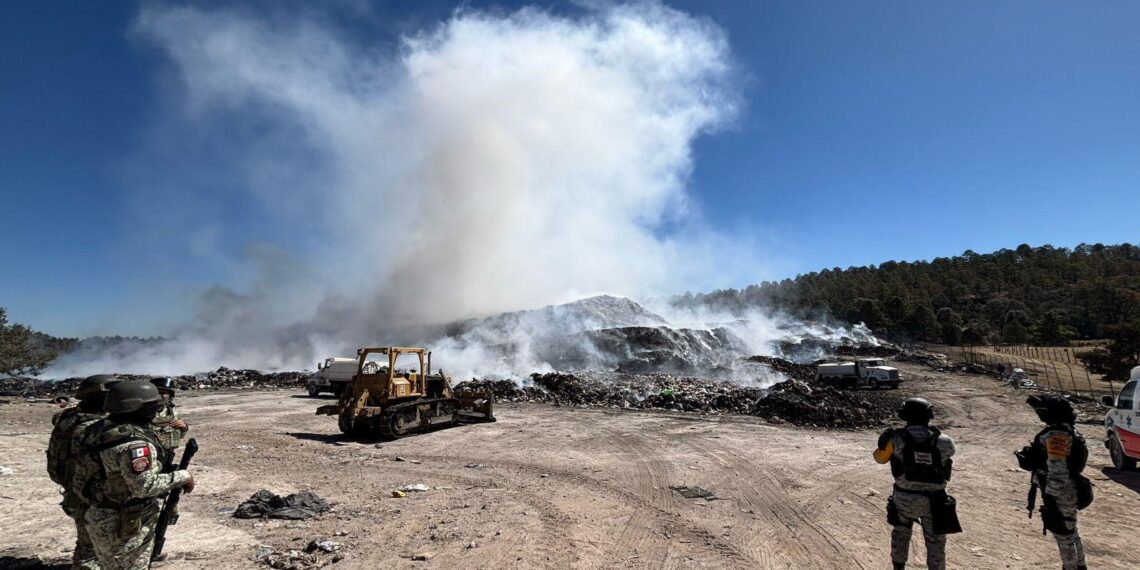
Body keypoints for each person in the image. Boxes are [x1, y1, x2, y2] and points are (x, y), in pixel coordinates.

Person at [74, 380, 195, 570]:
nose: (156, 410)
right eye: (152, 405)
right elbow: (144, 487)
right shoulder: (135, 444)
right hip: (124, 522)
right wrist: (183, 476)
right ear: (139, 408)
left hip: (98, 512)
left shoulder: (97, 430)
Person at [873, 398, 960, 570]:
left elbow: (879, 459)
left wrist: (882, 443)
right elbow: (949, 454)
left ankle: (899, 567)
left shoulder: (895, 439)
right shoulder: (945, 441)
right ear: (929, 415)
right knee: (936, 540)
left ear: (905, 416)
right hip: (935, 501)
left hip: (904, 498)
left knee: (901, 533)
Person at [46, 374, 120, 570]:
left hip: (75, 488)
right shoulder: (93, 427)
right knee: (90, 548)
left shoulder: (69, 417)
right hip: (89, 493)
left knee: (91, 542)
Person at [1018, 395, 1090, 570]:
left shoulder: (1056, 435)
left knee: (1063, 534)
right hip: (1065, 490)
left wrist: (1051, 496)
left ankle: (1071, 567)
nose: (1039, 414)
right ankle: (1080, 566)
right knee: (1070, 531)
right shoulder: (1064, 430)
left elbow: (1058, 470)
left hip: (1060, 492)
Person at [148, 378, 188, 451]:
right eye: (157, 392)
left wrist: (184, 427)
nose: (159, 396)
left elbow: (179, 435)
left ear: (170, 395)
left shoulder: (171, 410)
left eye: (163, 393)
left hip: (167, 452)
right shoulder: (144, 411)